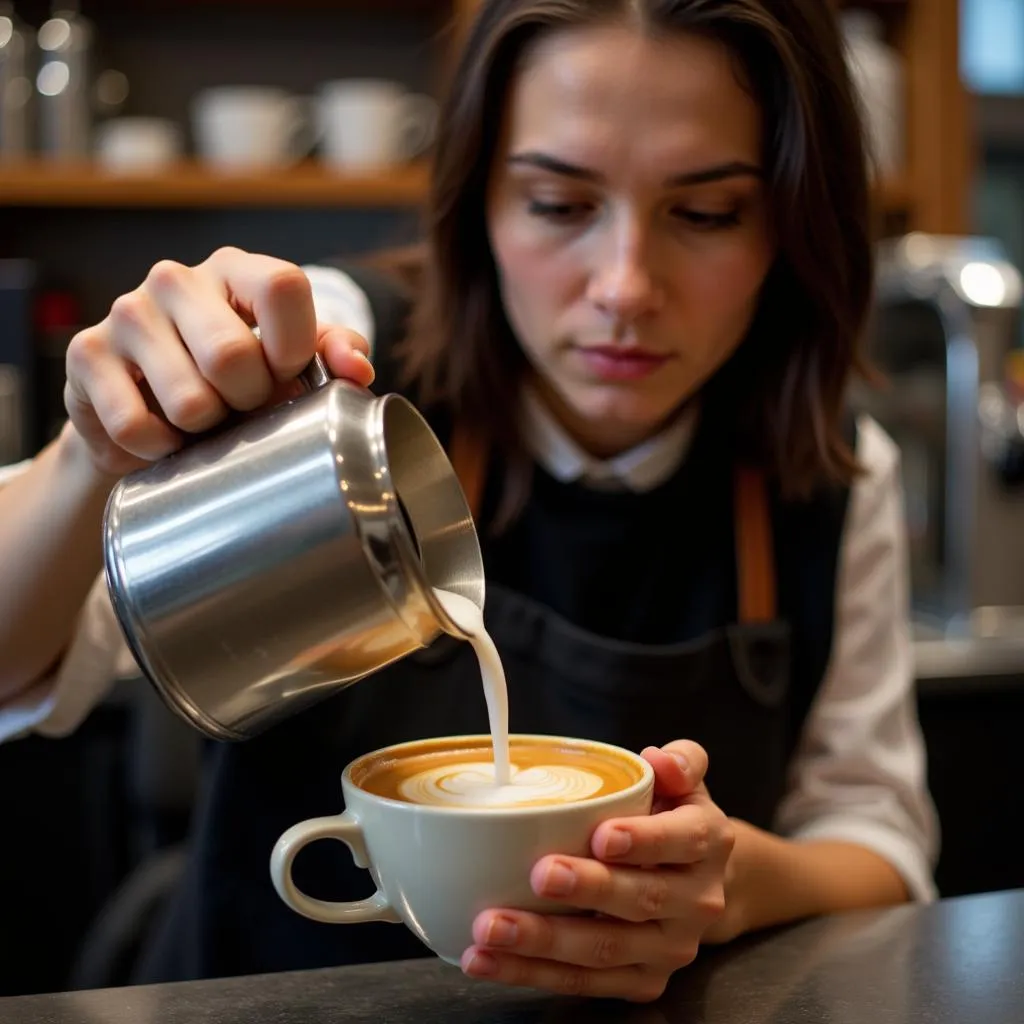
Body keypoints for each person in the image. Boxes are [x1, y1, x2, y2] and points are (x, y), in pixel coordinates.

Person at [0, 0, 937, 1004]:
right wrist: (90, 454)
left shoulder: (829, 474)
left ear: (791, 224)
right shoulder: (339, 374)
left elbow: (877, 839)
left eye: (705, 213)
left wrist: (728, 882)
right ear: (477, 199)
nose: (624, 286)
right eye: (557, 204)